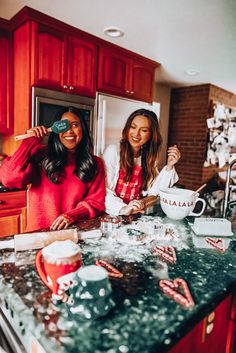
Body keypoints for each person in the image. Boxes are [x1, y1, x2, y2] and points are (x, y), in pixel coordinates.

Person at [0, 107, 106, 232]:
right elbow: (9, 179)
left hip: (74, 234)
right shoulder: (40, 155)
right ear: (56, 131)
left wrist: (71, 216)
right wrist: (29, 141)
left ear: (83, 129)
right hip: (39, 235)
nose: (69, 131)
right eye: (64, 126)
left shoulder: (95, 163)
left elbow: (95, 202)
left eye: (75, 125)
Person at [103, 108, 181, 216]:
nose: (136, 134)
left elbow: (156, 193)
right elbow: (104, 190)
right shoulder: (113, 152)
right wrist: (123, 208)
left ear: (151, 135)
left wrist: (169, 166)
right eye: (133, 127)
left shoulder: (147, 157)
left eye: (144, 130)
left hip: (133, 216)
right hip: (111, 214)